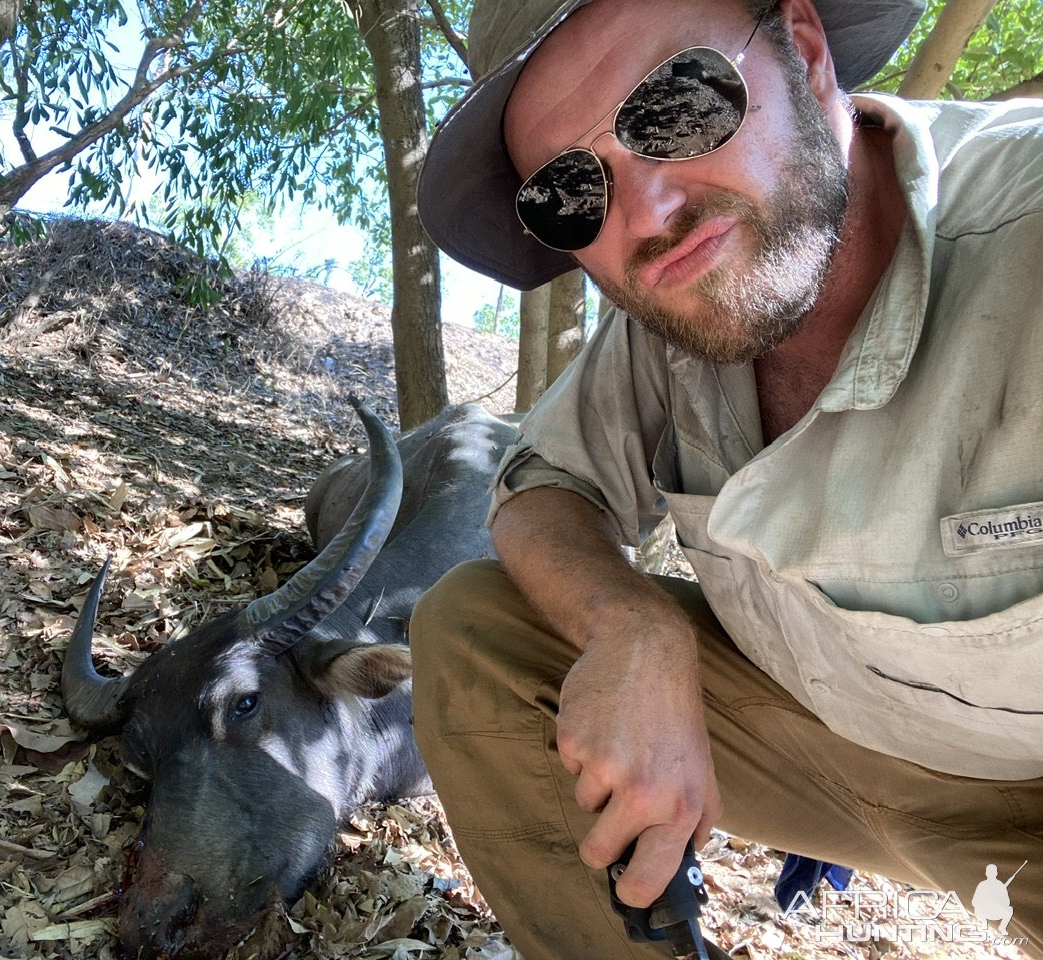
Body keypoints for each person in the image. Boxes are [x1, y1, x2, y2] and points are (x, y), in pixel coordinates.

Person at [409, 0, 1043, 957]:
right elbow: (543, 484)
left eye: (676, 106)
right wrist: (629, 624)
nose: (649, 214)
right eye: (574, 193)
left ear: (807, 50)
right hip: (813, 739)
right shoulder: (677, 316)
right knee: (476, 632)